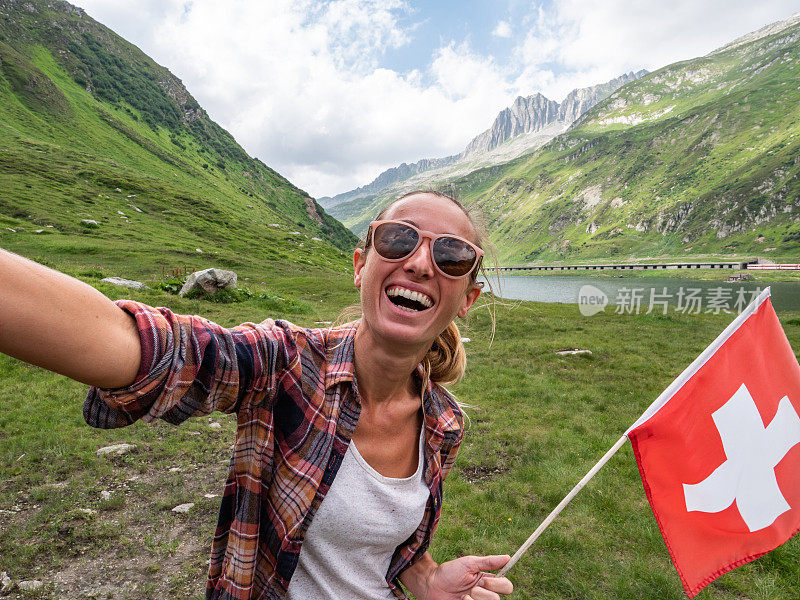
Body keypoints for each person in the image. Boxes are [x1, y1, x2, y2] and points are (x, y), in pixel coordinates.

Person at [0, 190, 513, 600]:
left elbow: (393, 546)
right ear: (361, 265)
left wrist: (425, 580)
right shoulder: (286, 363)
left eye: (451, 254)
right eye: (399, 239)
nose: (421, 263)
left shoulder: (443, 424)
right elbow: (160, 351)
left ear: (467, 299)